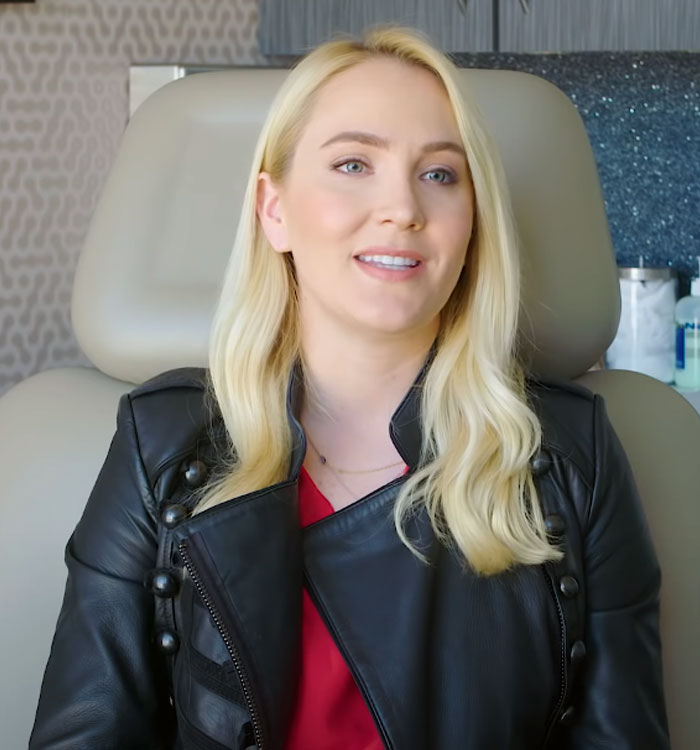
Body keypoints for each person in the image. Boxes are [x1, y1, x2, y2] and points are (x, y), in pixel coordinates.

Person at [30, 26, 669, 750]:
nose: (402, 207)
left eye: (439, 174)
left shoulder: (570, 456)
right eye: (353, 163)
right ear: (275, 210)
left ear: (472, 225)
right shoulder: (161, 448)